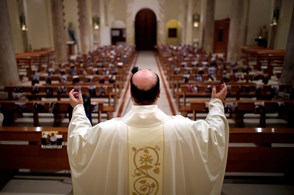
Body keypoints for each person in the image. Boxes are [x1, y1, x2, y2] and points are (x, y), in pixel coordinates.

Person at [68, 69, 229, 195]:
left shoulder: (108, 130)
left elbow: (79, 142)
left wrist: (78, 109)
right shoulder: (182, 128)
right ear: (159, 94)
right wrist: (216, 103)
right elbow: (214, 134)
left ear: (131, 94)